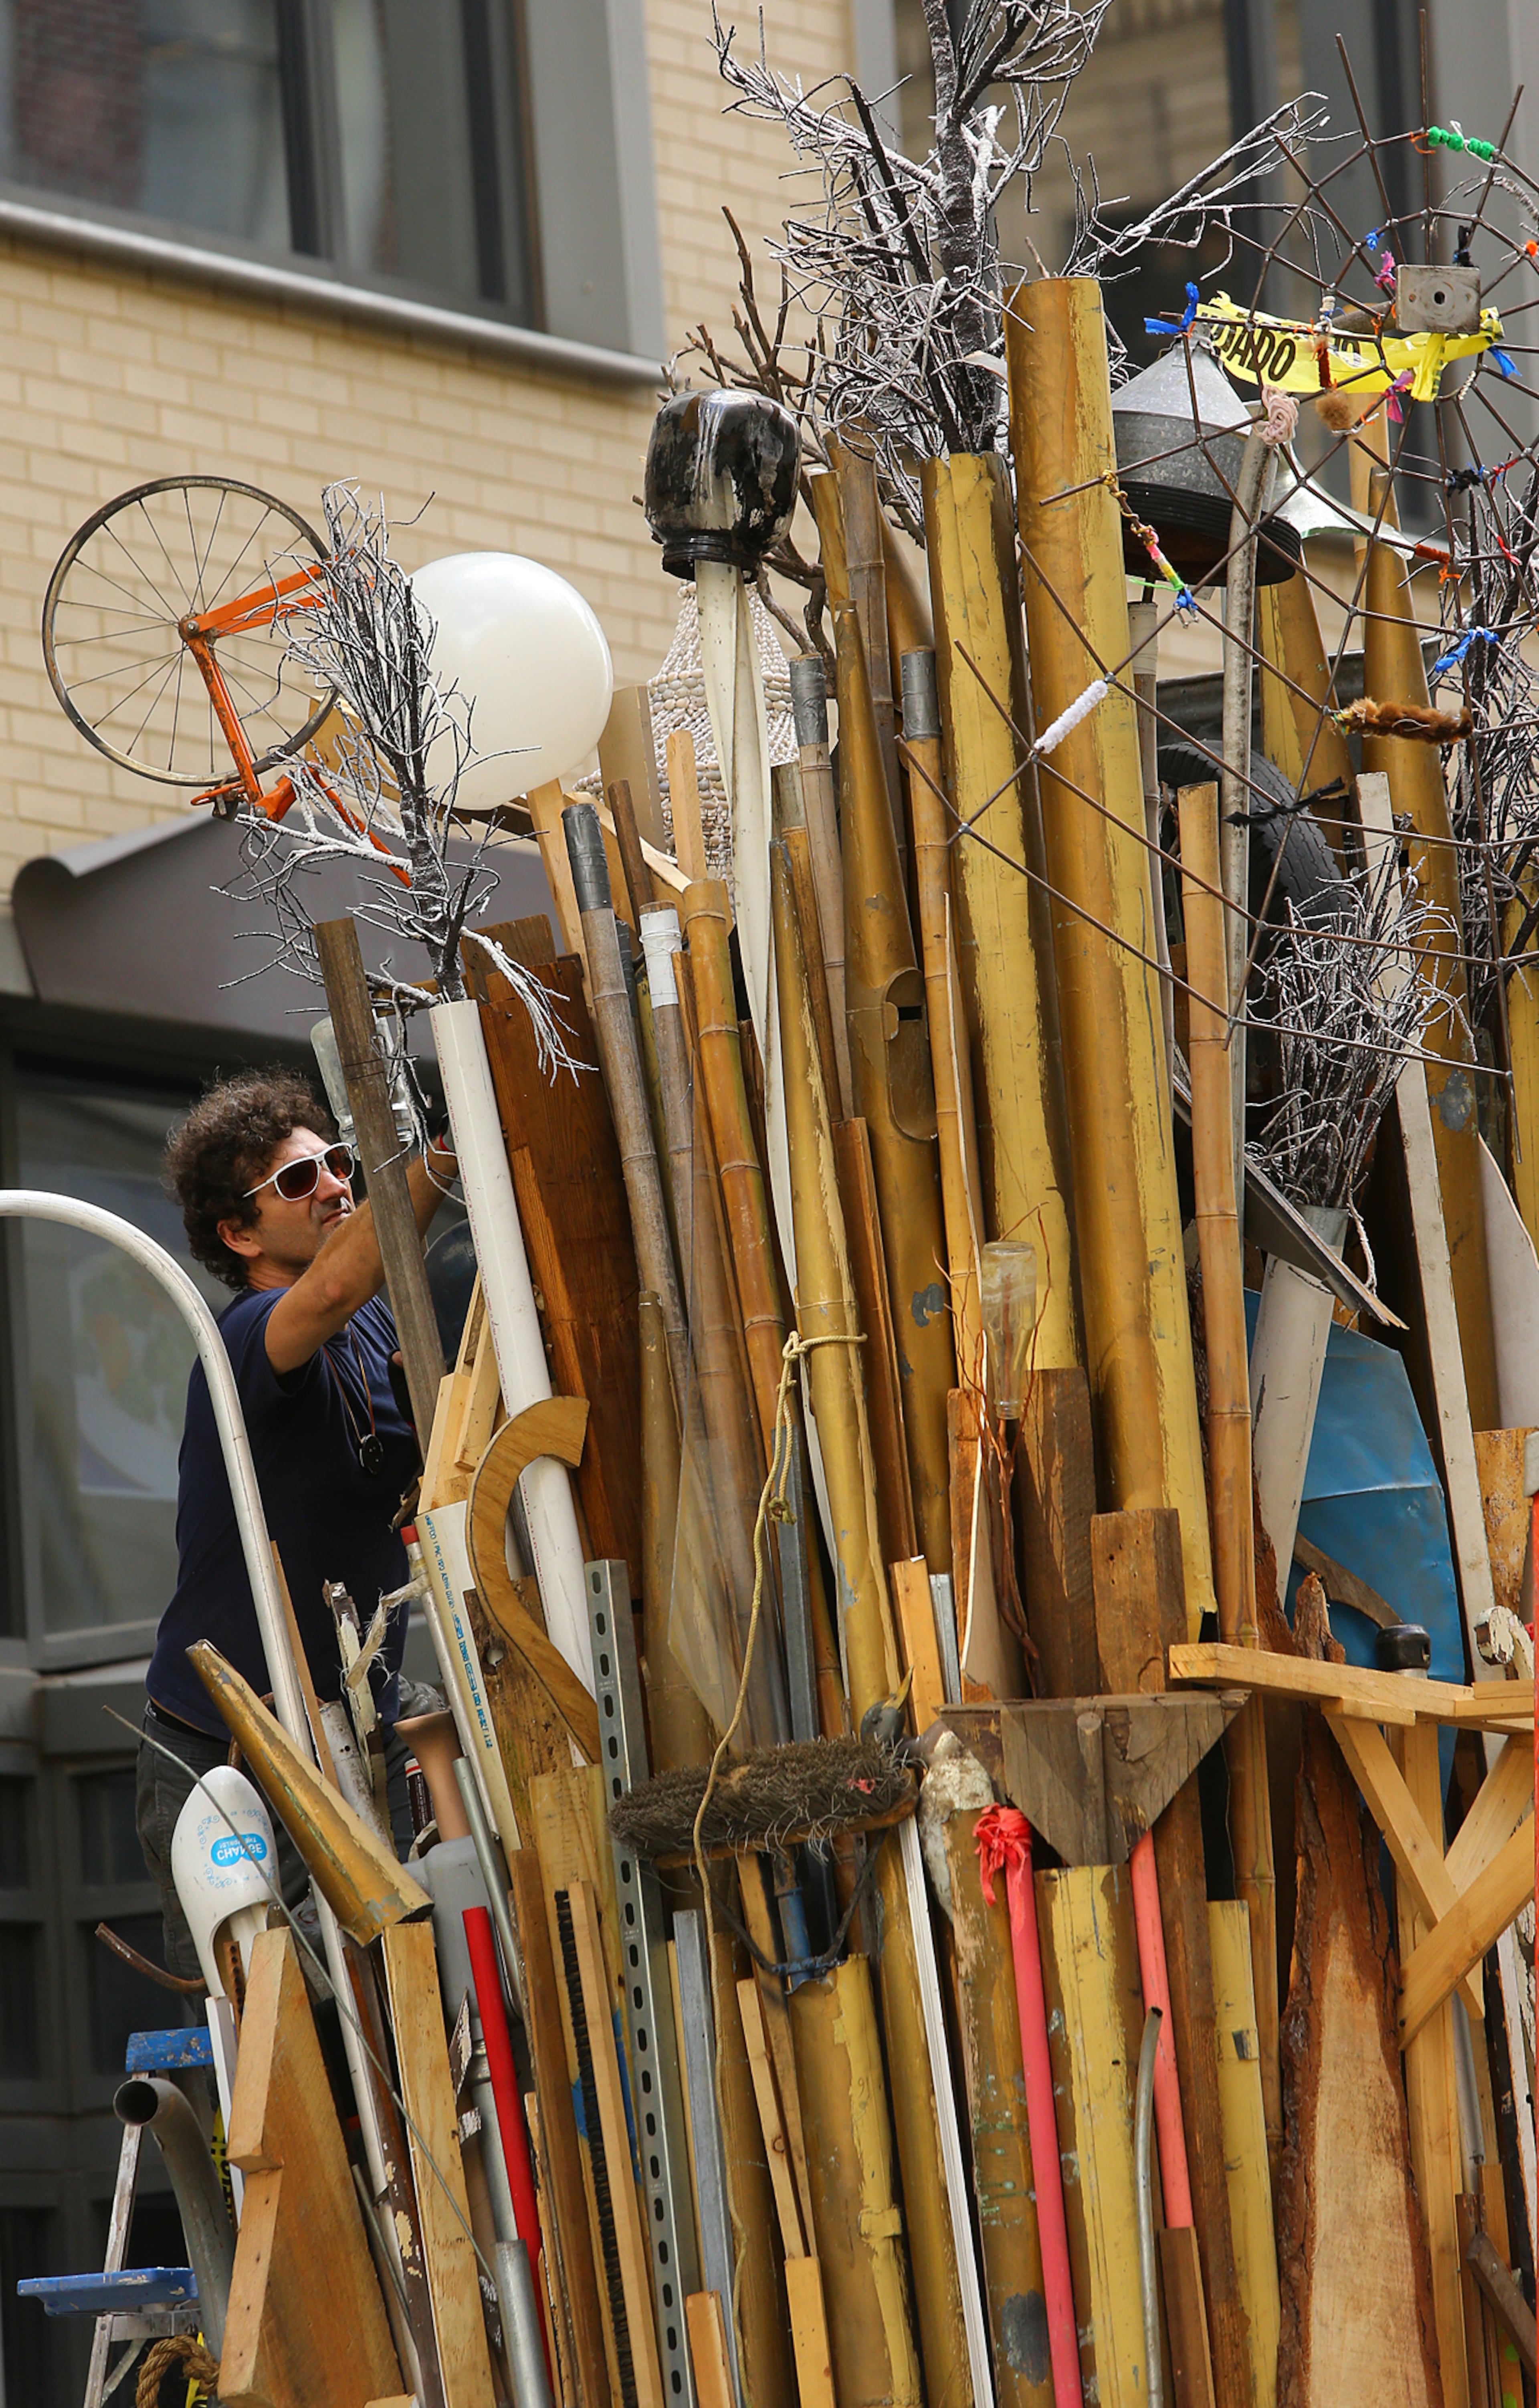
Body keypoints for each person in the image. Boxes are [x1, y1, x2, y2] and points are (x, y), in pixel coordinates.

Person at [135, 1067, 456, 1980]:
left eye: (341, 1164)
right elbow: (330, 1291)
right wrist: (442, 1153)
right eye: (298, 1179)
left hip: (357, 1725)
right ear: (240, 1235)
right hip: (222, 1752)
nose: (334, 1185)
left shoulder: (377, 1324)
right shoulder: (246, 1331)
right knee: (270, 2019)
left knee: (409, 1987)